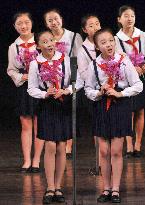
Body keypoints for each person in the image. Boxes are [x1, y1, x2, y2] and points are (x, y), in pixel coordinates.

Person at [85, 28, 143, 203]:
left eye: (110, 40)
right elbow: (88, 89)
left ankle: (116, 189)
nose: (108, 44)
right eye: (103, 42)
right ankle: (106, 188)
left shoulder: (124, 60)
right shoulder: (94, 64)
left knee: (116, 151)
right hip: (101, 106)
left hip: (119, 105)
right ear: (97, 46)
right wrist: (98, 92)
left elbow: (138, 85)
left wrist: (121, 93)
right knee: (104, 151)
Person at [28, 30, 72, 204]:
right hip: (47, 105)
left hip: (63, 104)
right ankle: (50, 187)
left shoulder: (65, 59)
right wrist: (45, 93)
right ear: (38, 45)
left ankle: (58, 187)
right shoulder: (35, 63)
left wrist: (65, 90)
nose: (49, 44)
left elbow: (76, 83)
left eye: (52, 40)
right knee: (50, 146)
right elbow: (31, 89)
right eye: (45, 41)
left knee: (61, 146)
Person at [115, 5, 145, 158]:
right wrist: (128, 69)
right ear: (119, 19)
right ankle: (128, 146)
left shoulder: (143, 35)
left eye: (132, 16)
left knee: (140, 110)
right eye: (126, 16)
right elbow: (115, 61)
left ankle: (137, 145)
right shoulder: (116, 39)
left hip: (141, 78)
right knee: (128, 112)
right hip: (125, 80)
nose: (129, 19)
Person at [7, 11, 44, 173]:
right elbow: (11, 70)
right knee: (25, 124)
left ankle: (36, 161)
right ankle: (27, 160)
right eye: (19, 23)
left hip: (41, 86)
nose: (23, 26)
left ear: (31, 23)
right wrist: (23, 76)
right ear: (14, 27)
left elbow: (52, 59)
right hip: (24, 87)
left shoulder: (41, 40)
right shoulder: (13, 47)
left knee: (39, 123)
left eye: (26, 22)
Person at [43, 8, 83, 159]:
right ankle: (57, 141)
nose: (54, 22)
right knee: (56, 111)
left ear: (61, 19)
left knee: (70, 111)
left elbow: (80, 58)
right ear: (46, 24)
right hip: (52, 78)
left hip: (70, 76)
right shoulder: (46, 37)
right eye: (50, 20)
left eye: (56, 19)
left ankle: (68, 147)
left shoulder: (73, 36)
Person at [76, 14, 101, 174]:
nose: (96, 27)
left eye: (97, 24)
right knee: (99, 128)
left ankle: (112, 161)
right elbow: (83, 73)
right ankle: (100, 163)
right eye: (91, 25)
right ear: (85, 30)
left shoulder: (109, 41)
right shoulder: (83, 49)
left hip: (113, 90)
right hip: (94, 93)